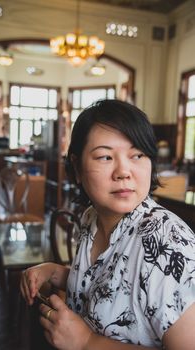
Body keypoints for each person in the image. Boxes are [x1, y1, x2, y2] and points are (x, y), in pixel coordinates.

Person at [20, 99, 195, 350]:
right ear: (77, 168)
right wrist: (55, 272)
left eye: (137, 155)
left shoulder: (166, 240)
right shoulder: (91, 217)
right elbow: (110, 288)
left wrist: (87, 342)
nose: (124, 171)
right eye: (105, 157)